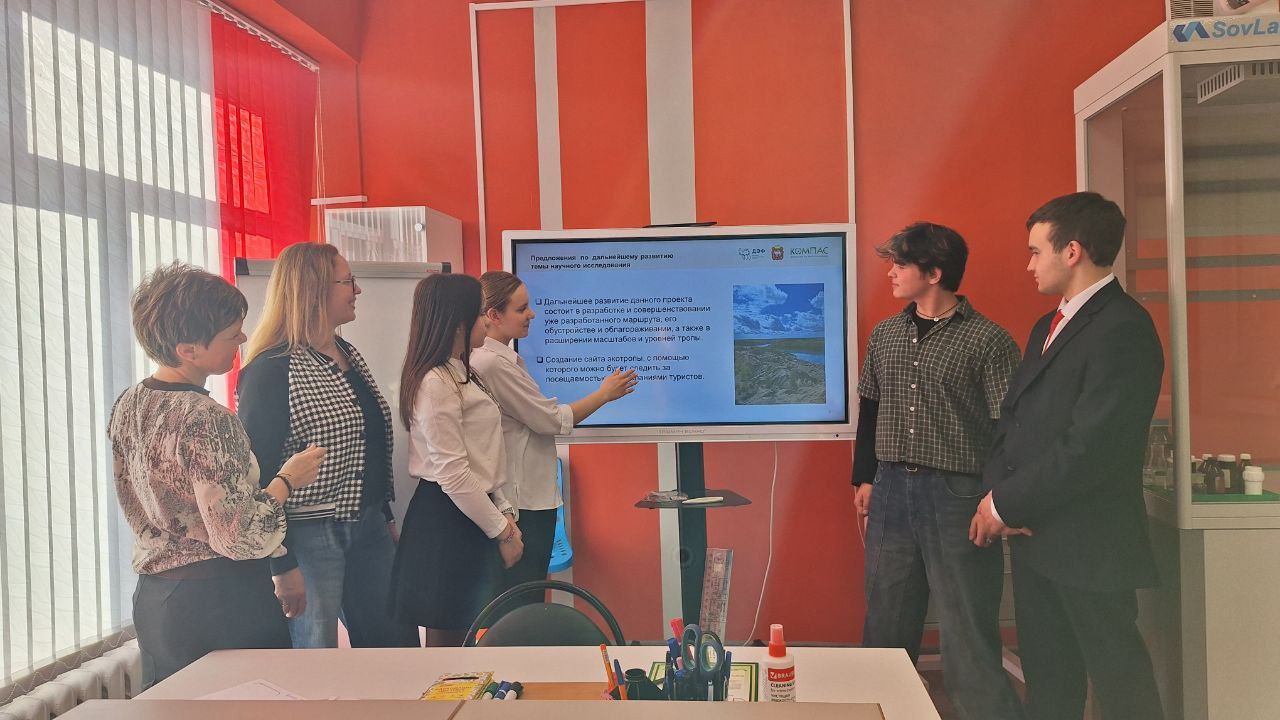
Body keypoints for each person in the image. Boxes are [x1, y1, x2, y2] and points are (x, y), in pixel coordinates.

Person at [970, 192, 1165, 720]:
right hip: (1035, 538)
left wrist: (1006, 505)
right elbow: (1012, 421)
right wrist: (998, 497)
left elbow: (1092, 447)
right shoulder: (1046, 326)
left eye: (1036, 251)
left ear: (1072, 251)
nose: (1029, 264)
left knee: (1121, 685)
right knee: (1050, 684)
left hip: (1089, 546)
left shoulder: (1123, 327)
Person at [110, 263, 325, 687]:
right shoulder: (207, 417)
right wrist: (287, 480)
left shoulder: (129, 402)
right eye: (231, 334)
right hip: (219, 601)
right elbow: (238, 537)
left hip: (156, 598)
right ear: (188, 349)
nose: (243, 340)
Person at [852, 223, 1024, 720]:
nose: (891, 272)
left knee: (966, 628)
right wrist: (864, 477)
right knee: (885, 623)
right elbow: (871, 408)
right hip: (889, 488)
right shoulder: (885, 334)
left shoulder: (989, 340)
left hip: (958, 495)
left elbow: (1010, 428)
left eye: (901, 264)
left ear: (934, 273)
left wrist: (998, 500)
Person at [238, 243, 418, 649]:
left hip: (368, 525)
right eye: (348, 282)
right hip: (307, 536)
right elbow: (255, 477)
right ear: (314, 289)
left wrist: (384, 514)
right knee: (314, 654)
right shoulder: (271, 370)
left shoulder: (347, 353)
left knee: (395, 647)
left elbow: (368, 445)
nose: (357, 290)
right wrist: (281, 563)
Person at [472, 271, 637, 605]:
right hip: (522, 502)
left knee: (526, 597)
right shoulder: (491, 363)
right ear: (493, 315)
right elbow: (549, 420)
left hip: (526, 498)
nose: (531, 315)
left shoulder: (498, 359)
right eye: (521, 309)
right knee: (522, 601)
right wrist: (604, 395)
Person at [390, 273, 524, 646]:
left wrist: (504, 510)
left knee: (468, 634)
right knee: (449, 644)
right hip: (448, 516)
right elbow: (453, 475)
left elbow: (483, 456)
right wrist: (502, 531)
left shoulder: (463, 372)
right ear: (458, 322)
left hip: (473, 510)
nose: (487, 322)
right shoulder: (435, 382)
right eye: (480, 313)